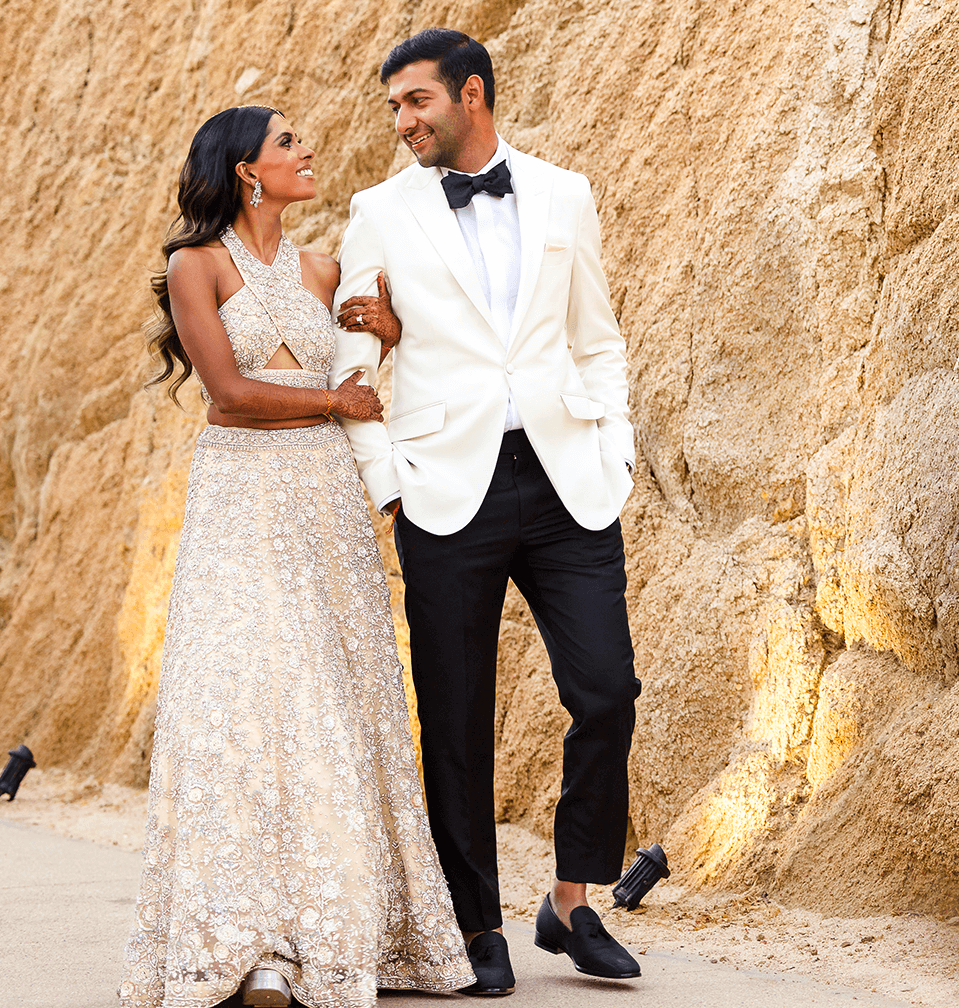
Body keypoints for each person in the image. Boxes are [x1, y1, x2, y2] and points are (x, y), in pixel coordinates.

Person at [119, 105, 474, 1008]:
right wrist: (334, 404)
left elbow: (368, 365)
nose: (305, 151)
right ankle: (249, 941)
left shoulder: (324, 269)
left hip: (323, 504)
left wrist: (385, 335)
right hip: (239, 498)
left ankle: (347, 932)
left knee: (334, 698)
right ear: (245, 169)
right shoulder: (192, 266)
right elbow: (231, 396)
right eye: (287, 142)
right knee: (241, 698)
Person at [330, 29, 643, 995]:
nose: (403, 122)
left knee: (608, 692)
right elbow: (353, 363)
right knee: (456, 721)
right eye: (393, 107)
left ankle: (570, 900)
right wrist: (388, 481)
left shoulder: (565, 193)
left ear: (473, 94)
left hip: (565, 484)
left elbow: (597, 338)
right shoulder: (376, 211)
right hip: (442, 488)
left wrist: (613, 448)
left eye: (417, 101)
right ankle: (474, 927)